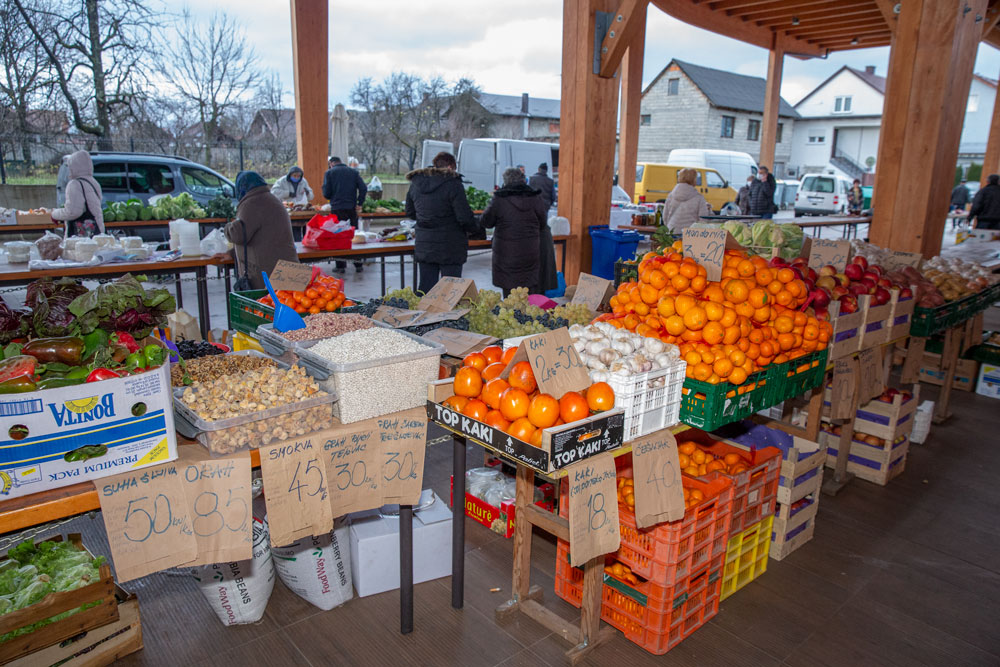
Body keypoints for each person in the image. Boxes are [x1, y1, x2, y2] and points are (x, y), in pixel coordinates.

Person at [405, 151, 478, 294]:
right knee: (450, 292)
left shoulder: (416, 183)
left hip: (425, 244)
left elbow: (410, 212)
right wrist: (476, 229)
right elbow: (464, 217)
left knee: (426, 289)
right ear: (451, 167)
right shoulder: (453, 184)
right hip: (451, 245)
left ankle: (424, 309)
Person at [481, 168, 555, 296]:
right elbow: (543, 223)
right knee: (529, 291)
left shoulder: (499, 199)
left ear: (505, 181)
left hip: (506, 254)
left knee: (509, 293)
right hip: (530, 252)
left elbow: (486, 222)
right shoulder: (535, 197)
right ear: (523, 180)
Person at [222, 171, 299, 290]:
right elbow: (264, 237)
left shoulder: (252, 203)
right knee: (290, 301)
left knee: (269, 302)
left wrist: (227, 227)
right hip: (286, 271)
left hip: (269, 275)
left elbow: (239, 234)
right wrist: (232, 253)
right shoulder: (271, 199)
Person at [322, 156, 366, 273]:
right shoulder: (353, 172)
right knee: (354, 235)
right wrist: (360, 203)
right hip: (351, 208)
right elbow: (363, 188)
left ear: (331, 163)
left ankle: (340, 266)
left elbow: (326, 193)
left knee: (339, 236)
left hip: (337, 209)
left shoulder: (329, 173)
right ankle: (358, 264)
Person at [51, 150, 104, 237]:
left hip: (80, 236)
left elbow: (73, 212)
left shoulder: (74, 184)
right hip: (97, 230)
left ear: (73, 167)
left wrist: (54, 214)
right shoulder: (93, 182)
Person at [663, 168, 712, 233]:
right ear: (694, 179)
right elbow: (703, 221)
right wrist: (708, 210)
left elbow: (665, 217)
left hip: (671, 232)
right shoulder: (699, 198)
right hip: (690, 234)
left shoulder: (671, 196)